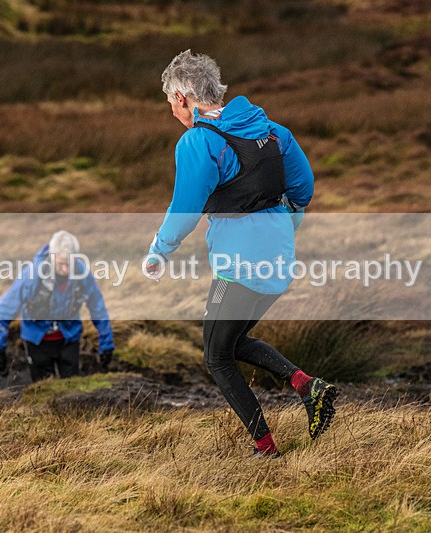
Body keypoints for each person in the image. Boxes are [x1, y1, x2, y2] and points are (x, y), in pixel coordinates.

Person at [145, 50, 337, 457]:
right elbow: (303, 190)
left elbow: (184, 212)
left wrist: (158, 251)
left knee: (216, 357)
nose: (172, 112)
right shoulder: (272, 130)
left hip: (240, 263)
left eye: (170, 104)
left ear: (182, 98)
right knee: (232, 341)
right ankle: (308, 386)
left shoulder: (198, 141)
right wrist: (282, 227)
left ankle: (265, 449)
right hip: (279, 259)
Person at [0, 230, 114, 382]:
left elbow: (97, 306)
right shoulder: (32, 275)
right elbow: (4, 310)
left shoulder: (82, 273)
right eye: (62, 264)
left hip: (69, 338)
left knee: (72, 391)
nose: (66, 269)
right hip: (37, 342)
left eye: (70, 263)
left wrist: (106, 344)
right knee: (43, 393)